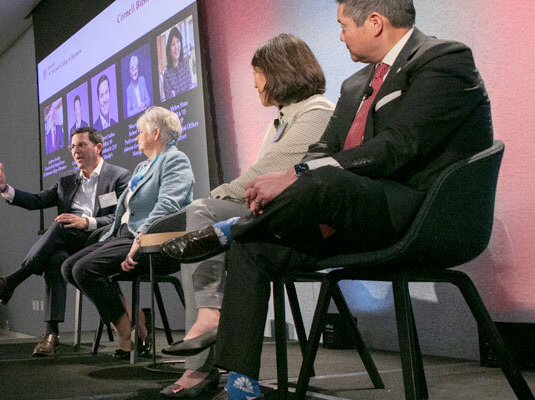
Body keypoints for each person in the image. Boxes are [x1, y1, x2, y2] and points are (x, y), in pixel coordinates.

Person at [162, 0, 493, 398]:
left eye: (342, 26)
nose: (339, 36)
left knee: (324, 180)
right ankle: (242, 385)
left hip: (415, 213)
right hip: (351, 214)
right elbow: (322, 149)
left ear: (374, 23)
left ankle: (230, 228)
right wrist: (295, 176)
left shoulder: (444, 59)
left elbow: (401, 145)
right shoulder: (355, 84)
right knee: (256, 246)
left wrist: (299, 174)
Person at [159, 33, 335, 398]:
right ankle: (212, 341)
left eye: (256, 72)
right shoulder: (281, 121)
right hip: (267, 214)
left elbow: (278, 168)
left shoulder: (318, 110)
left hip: (299, 222)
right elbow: (265, 176)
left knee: (203, 211)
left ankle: (202, 353)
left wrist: (220, 193)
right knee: (205, 228)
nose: (254, 81)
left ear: (279, 71)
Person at [0, 127, 130, 356]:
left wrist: (86, 221)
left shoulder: (119, 176)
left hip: (101, 239)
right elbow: (36, 200)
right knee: (56, 258)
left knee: (60, 226)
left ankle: (10, 283)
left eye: (81, 145)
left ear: (98, 147)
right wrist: (4, 189)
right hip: (70, 241)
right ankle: (51, 333)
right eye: (72, 147)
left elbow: (122, 215)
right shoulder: (66, 181)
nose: (75, 151)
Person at [62, 106, 194, 361]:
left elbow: (168, 206)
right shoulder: (143, 167)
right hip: (123, 235)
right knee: (69, 267)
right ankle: (137, 321)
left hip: (152, 242)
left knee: (84, 269)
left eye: (139, 132)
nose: (135, 137)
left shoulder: (175, 160)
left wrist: (139, 241)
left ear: (156, 133)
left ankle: (127, 334)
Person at [162, 26, 193, 100]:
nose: (176, 47)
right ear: (169, 50)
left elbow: (190, 89)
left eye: (178, 42)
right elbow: (170, 100)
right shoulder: (166, 75)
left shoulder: (185, 65)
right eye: (173, 44)